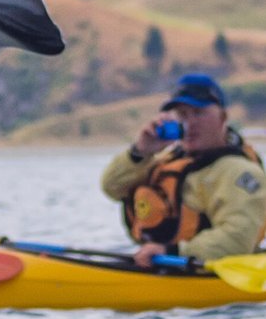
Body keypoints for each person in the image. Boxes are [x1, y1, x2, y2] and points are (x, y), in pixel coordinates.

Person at [101, 73, 266, 268]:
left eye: (198, 113)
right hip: (159, 264)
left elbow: (237, 238)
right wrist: (140, 152)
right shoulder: (167, 160)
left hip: (207, 272)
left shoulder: (241, 172)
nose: (190, 123)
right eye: (182, 115)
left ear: (222, 117)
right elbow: (112, 187)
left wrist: (174, 252)